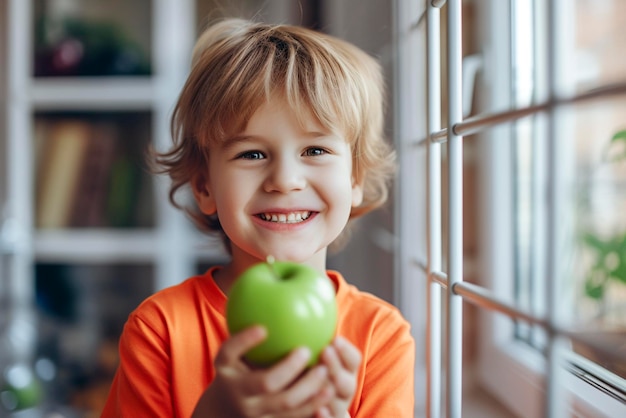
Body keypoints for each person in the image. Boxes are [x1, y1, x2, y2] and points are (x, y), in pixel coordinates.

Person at [101, 17, 415, 418]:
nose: (285, 180)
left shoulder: (380, 337)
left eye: (315, 150)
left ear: (355, 178)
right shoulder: (160, 330)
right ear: (204, 187)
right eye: (252, 154)